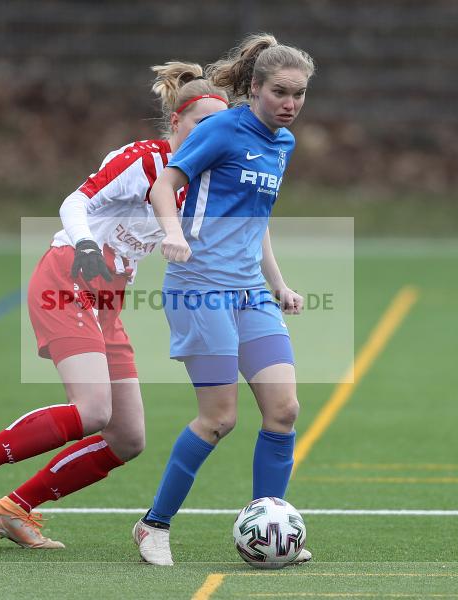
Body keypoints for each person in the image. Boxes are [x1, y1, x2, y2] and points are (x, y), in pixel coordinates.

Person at [0, 63, 229, 549]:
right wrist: (87, 244)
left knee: (127, 436)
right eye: (200, 124)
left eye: (218, 129)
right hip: (68, 274)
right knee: (92, 410)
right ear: (176, 123)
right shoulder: (145, 159)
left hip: (107, 303)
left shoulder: (200, 184)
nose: (207, 136)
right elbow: (75, 202)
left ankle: (13, 509)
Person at [131, 34, 315, 566]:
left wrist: (278, 284)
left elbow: (255, 223)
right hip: (198, 288)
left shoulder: (283, 143)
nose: (290, 103)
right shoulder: (221, 129)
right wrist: (173, 234)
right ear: (254, 88)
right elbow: (165, 185)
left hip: (249, 293)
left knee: (283, 410)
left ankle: (270, 524)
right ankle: (153, 525)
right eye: (280, 92)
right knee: (219, 419)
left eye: (299, 94)